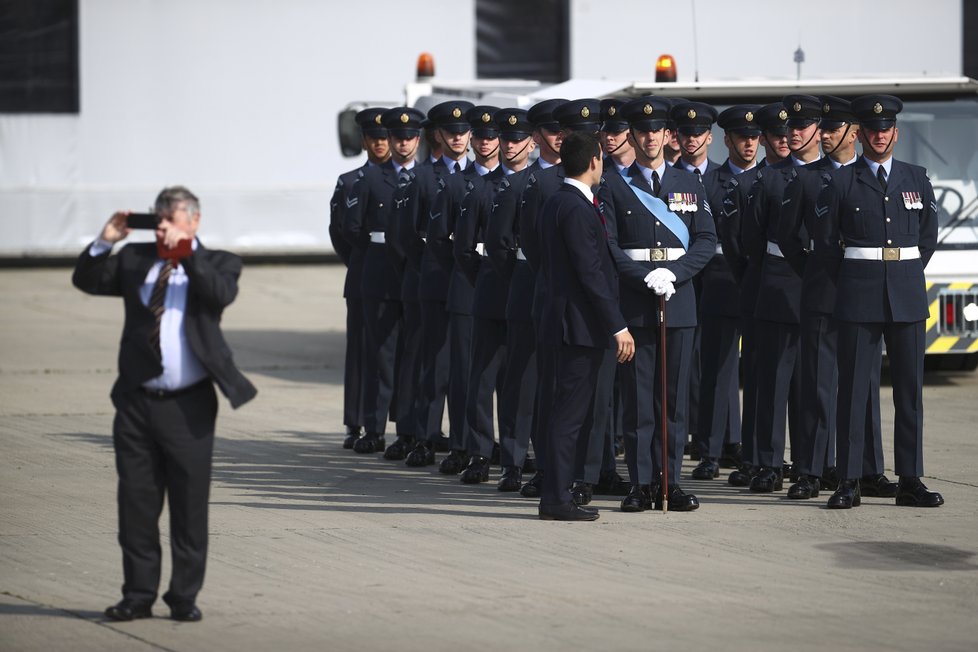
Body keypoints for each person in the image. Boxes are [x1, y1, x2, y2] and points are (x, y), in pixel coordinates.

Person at [72, 186, 257, 622]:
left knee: (189, 506)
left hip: (188, 407)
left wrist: (186, 253)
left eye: (170, 220)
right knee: (136, 504)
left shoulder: (219, 262)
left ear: (193, 221)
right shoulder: (137, 260)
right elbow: (87, 280)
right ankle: (137, 594)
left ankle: (183, 596)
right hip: (137, 402)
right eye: (158, 221)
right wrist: (104, 242)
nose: (162, 228)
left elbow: (218, 295)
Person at [815, 94, 944, 509]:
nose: (879, 135)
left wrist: (902, 272)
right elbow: (827, 246)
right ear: (861, 134)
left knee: (909, 392)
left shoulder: (916, 177)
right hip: (859, 294)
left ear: (895, 133)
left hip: (906, 294)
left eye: (885, 129)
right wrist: (855, 279)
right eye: (872, 130)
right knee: (852, 391)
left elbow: (926, 237)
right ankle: (850, 480)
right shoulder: (840, 181)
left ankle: (910, 480)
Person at [598, 96, 717, 513]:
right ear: (632, 135)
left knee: (672, 401)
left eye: (657, 131)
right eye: (642, 131)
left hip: (678, 302)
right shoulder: (612, 184)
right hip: (635, 302)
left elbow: (706, 239)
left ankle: (671, 481)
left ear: (669, 136)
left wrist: (677, 273)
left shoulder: (690, 183)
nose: (649, 138)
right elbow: (608, 245)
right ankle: (641, 483)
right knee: (637, 403)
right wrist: (641, 275)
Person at [535, 130, 635, 521]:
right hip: (575, 327)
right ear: (595, 160)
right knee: (569, 415)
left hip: (564, 322)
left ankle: (558, 492)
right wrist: (617, 326)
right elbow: (590, 271)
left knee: (565, 412)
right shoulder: (576, 207)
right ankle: (557, 498)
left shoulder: (559, 201)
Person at [741, 95, 822, 494]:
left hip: (820, 288)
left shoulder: (834, 175)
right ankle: (768, 464)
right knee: (773, 383)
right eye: (788, 127)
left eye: (801, 126)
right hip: (777, 282)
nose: (792, 134)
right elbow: (748, 239)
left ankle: (811, 466)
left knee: (813, 384)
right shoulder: (770, 178)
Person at [693, 104, 762, 479]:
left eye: (754, 138)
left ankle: (751, 453)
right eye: (741, 138)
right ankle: (710, 452)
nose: (748, 144)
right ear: (727, 140)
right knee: (716, 371)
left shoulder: (772, 179)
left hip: (759, 280)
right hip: (718, 278)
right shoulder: (708, 182)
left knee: (756, 372)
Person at [484, 107, 542, 491]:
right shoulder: (518, 185)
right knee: (519, 382)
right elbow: (498, 244)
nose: (509, 145)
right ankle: (513, 460)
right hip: (524, 290)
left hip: (560, 296)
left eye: (518, 138)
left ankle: (550, 459)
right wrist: (521, 276)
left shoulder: (567, 178)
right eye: (505, 139)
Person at [329, 108, 390, 448]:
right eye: (374, 138)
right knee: (361, 352)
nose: (380, 144)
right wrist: (360, 261)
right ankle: (355, 420)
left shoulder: (408, 178)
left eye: (385, 138)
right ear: (364, 141)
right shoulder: (351, 181)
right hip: (364, 275)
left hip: (397, 276)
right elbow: (340, 231)